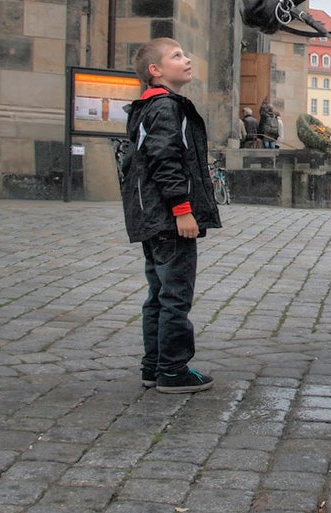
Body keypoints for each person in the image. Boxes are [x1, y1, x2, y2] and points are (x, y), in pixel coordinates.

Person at [120, 37, 222, 393]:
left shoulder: (148, 107)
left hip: (151, 218)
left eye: (185, 52)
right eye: (177, 55)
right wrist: (183, 211)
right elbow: (166, 162)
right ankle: (174, 370)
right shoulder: (166, 107)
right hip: (168, 218)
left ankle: (154, 366)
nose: (187, 59)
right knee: (175, 296)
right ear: (156, 71)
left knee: (159, 294)